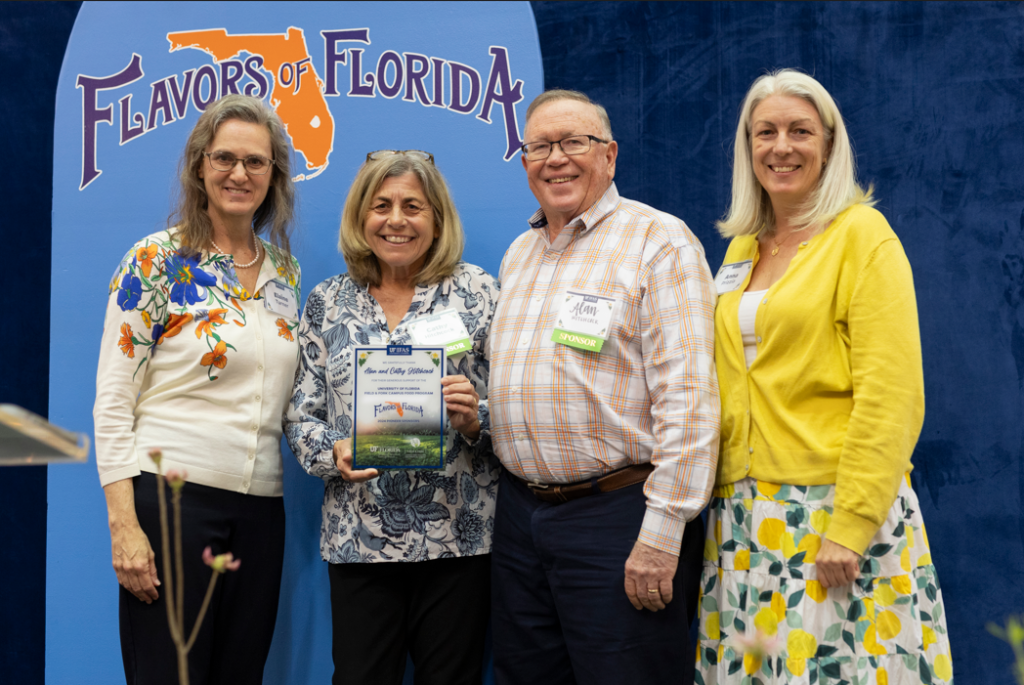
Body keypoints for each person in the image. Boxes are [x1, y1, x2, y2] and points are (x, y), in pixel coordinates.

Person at [696, 69, 953, 684]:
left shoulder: (863, 236)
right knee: (758, 673)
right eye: (766, 132)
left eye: (799, 131)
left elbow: (892, 394)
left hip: (832, 518)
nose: (781, 147)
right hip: (744, 520)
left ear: (830, 146)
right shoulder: (743, 249)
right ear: (747, 146)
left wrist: (853, 525)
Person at [487, 89, 720, 685]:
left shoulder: (658, 242)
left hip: (617, 516)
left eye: (573, 143)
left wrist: (664, 532)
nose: (556, 159)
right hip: (520, 520)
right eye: (540, 146)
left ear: (609, 156)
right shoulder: (520, 254)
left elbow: (689, 401)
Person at [93, 93, 300, 685]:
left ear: (274, 175)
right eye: (225, 158)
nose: (240, 173)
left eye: (256, 162)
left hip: (262, 510)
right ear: (199, 166)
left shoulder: (285, 273)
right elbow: (112, 400)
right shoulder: (154, 262)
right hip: (173, 504)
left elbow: (288, 396)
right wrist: (124, 526)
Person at [285, 150, 500, 685]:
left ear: (437, 219)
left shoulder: (478, 292)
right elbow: (300, 414)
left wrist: (477, 419)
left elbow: (518, 407)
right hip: (360, 538)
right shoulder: (327, 303)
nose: (396, 220)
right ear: (361, 217)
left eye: (413, 206)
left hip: (459, 535)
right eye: (381, 205)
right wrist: (332, 450)